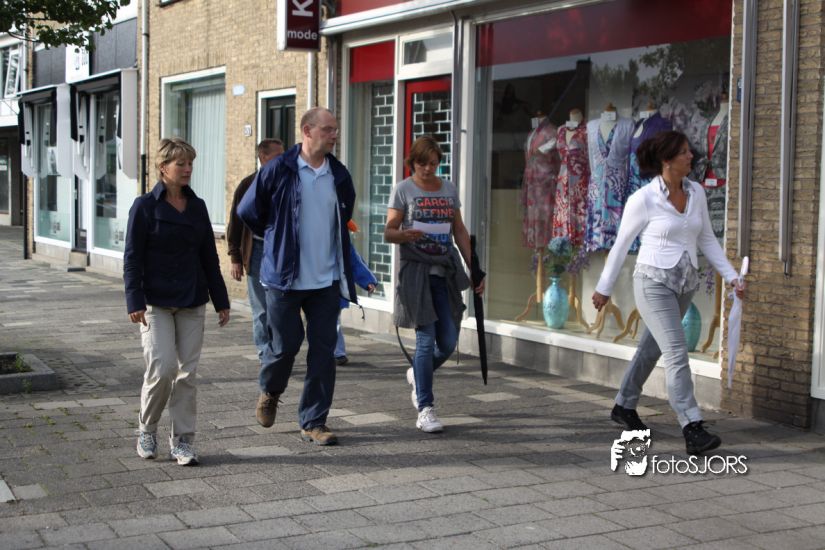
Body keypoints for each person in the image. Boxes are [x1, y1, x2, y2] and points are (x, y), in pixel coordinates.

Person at [591, 130, 745, 456]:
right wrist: (604, 288)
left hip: (685, 284)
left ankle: (623, 405)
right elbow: (621, 245)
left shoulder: (696, 193)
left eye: (690, 151)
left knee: (651, 349)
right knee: (676, 352)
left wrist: (732, 277)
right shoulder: (644, 198)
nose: (691, 157)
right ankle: (692, 426)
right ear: (667, 160)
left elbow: (706, 239)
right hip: (653, 283)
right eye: (684, 152)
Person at [237, 107, 357, 446]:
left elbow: (345, 213)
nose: (334, 135)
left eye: (335, 129)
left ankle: (314, 421)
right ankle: (270, 391)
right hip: (284, 280)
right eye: (328, 129)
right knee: (284, 346)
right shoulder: (279, 169)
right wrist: (277, 236)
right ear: (307, 130)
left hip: (326, 281)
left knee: (324, 352)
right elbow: (248, 211)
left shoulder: (339, 175)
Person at [124, 137, 231, 466]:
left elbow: (209, 256)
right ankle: (147, 428)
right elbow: (132, 258)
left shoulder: (197, 207)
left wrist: (221, 299)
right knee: (163, 368)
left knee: (187, 373)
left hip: (192, 299)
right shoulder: (144, 207)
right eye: (180, 163)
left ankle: (183, 441)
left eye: (190, 164)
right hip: (155, 302)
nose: (187, 169)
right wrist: (134, 299)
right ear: (162, 167)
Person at [384, 135, 485, 433]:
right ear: (412, 163)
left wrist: (474, 268)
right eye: (422, 164)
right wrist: (405, 234)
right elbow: (389, 231)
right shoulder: (403, 189)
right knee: (425, 341)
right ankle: (425, 408)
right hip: (416, 274)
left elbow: (459, 230)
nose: (428, 169)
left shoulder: (449, 189)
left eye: (433, 163)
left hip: (445, 273)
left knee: (449, 341)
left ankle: (417, 373)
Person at [226, 139, 285, 359]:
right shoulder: (248, 185)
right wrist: (235, 257)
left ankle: (279, 351)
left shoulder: (288, 181)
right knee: (260, 307)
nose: (282, 160)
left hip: (280, 251)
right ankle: (265, 353)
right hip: (257, 250)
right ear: (263, 158)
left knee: (280, 306)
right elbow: (236, 221)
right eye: (277, 156)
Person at [335, 220, 378, 366]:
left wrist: (368, 281)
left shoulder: (342, 243)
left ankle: (338, 353)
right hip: (317, 288)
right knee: (326, 323)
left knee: (333, 321)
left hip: (335, 288)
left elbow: (354, 262)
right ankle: (333, 352)